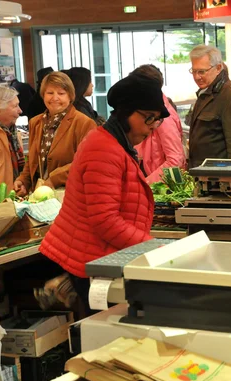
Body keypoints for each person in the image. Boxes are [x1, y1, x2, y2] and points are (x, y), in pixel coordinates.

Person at [39, 74, 169, 315]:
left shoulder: (118, 143)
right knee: (103, 339)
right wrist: (152, 247)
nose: (152, 127)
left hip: (103, 257)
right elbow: (105, 220)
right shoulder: (104, 149)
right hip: (95, 259)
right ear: (125, 112)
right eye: (148, 118)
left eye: (157, 120)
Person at [14, 72, 96, 195]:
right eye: (50, 93)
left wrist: (54, 179)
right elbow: (32, 159)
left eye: (61, 93)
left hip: (70, 195)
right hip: (39, 195)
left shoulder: (84, 123)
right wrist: (24, 180)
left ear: (70, 96)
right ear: (43, 95)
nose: (55, 98)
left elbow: (86, 162)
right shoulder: (35, 122)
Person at [187, 45, 231, 168]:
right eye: (193, 71)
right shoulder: (205, 92)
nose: (196, 77)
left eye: (201, 71)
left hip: (220, 179)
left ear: (218, 68)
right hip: (204, 176)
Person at [131, 64, 186, 182]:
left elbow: (175, 159)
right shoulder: (149, 110)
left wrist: (147, 183)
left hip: (159, 187)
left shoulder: (164, 116)